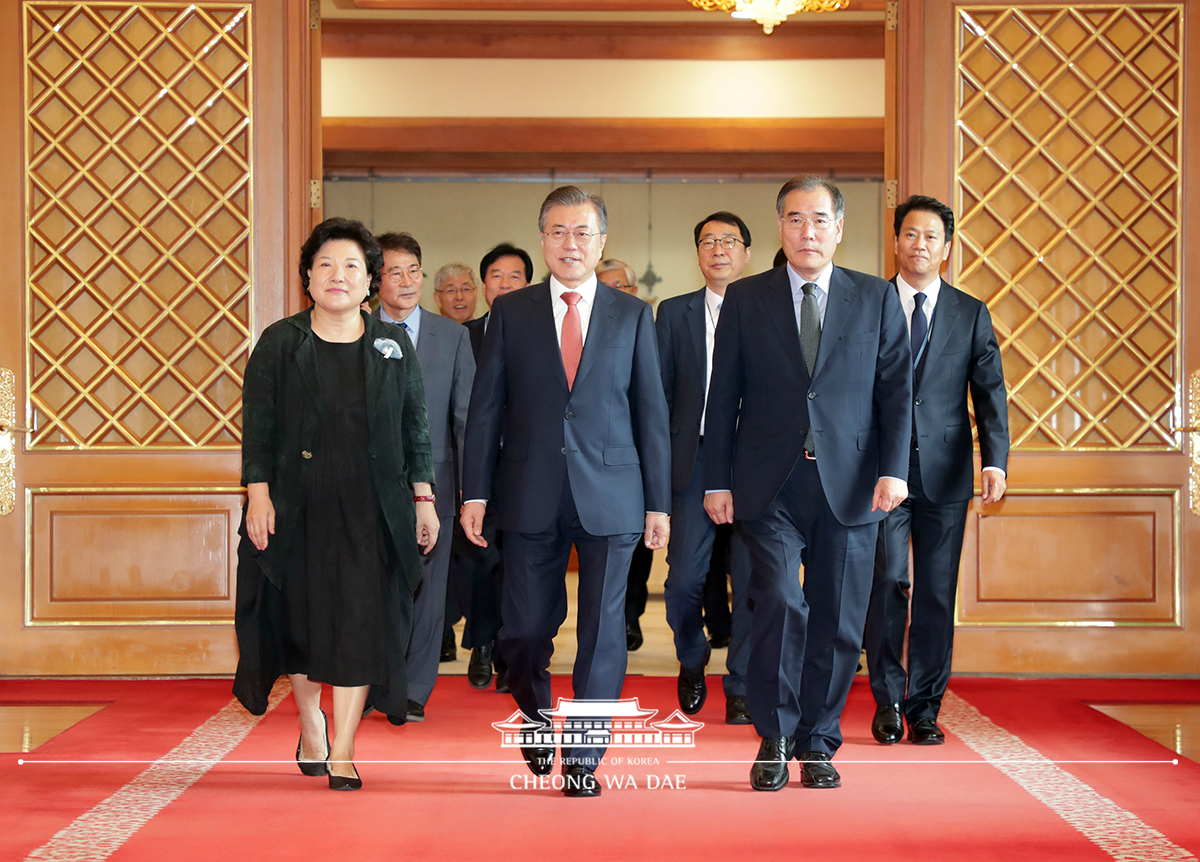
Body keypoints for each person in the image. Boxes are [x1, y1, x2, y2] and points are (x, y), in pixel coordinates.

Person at [461, 186, 671, 797]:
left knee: (604, 632)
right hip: (528, 490)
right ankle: (533, 716)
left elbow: (651, 413)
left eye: (582, 232)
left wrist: (659, 502)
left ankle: (583, 755)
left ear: (602, 241)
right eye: (557, 231)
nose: (570, 243)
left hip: (613, 493)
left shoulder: (633, 315)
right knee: (523, 629)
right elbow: (486, 410)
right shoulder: (512, 312)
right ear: (542, 237)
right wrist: (476, 491)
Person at [703, 176, 911, 792]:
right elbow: (723, 399)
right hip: (769, 485)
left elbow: (896, 395)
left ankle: (819, 740)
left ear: (840, 228)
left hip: (850, 486)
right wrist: (717, 481)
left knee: (841, 619)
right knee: (778, 606)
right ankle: (774, 733)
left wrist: (894, 470)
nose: (808, 232)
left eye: (819, 219)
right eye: (795, 220)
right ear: (780, 228)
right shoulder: (746, 298)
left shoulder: (875, 298)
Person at [232, 218, 440, 791]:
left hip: (372, 510)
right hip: (297, 509)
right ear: (307, 277)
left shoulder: (391, 343)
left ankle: (344, 749)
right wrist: (258, 495)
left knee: (358, 626)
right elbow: (260, 429)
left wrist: (423, 497)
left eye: (351, 266)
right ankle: (310, 722)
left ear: (369, 280)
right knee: (302, 627)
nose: (337, 276)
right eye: (325, 265)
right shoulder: (280, 342)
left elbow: (415, 426)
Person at [863, 195, 1009, 746]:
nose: (918, 245)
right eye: (909, 234)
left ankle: (925, 706)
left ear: (946, 249)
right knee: (886, 583)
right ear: (895, 241)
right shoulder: (870, 304)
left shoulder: (970, 312)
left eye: (930, 237)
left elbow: (989, 392)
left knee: (936, 593)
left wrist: (994, 459)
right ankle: (887, 701)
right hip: (880, 474)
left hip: (946, 473)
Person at [372, 231, 475, 722]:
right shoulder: (355, 330)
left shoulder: (451, 336)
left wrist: (471, 488)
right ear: (375, 280)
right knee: (373, 585)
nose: (408, 280)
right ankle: (374, 678)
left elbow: (465, 418)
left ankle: (414, 687)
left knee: (429, 589)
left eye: (414, 270)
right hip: (370, 484)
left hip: (434, 485)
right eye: (395, 272)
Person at [656, 212, 754, 724]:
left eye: (729, 241)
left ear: (747, 253)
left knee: (755, 581)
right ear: (697, 254)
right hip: (692, 461)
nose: (718, 249)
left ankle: (740, 681)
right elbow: (660, 397)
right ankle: (692, 658)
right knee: (683, 583)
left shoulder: (769, 307)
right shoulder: (674, 313)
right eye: (708, 241)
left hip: (755, 462)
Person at [455, 243, 534, 692]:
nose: (505, 284)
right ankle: (482, 645)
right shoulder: (463, 337)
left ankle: (510, 653)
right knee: (479, 561)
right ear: (484, 284)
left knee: (519, 564)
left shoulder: (542, 331)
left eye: (516, 277)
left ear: (530, 284)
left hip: (526, 467)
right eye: (497, 276)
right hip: (479, 465)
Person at [594, 258, 655, 653]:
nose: (615, 292)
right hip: (591, 458)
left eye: (621, 285)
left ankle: (629, 617)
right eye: (606, 286)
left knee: (635, 555)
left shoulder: (640, 322)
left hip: (635, 461)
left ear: (633, 291)